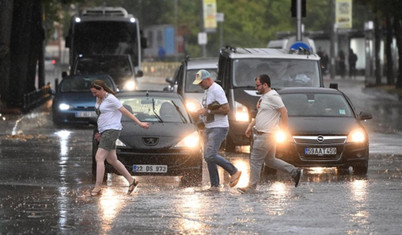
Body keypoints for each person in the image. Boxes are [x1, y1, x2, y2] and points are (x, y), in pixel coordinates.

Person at [237, 74, 303, 194]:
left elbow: (284, 111)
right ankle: (294, 171)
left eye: (258, 85)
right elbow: (261, 114)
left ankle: (251, 187)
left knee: (255, 160)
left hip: (267, 134)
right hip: (265, 134)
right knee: (270, 161)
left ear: (265, 85)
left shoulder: (273, 96)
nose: (256, 88)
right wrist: (250, 126)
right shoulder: (264, 97)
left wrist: (285, 129)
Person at [90, 80, 149, 196]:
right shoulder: (100, 99)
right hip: (105, 131)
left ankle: (98, 186)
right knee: (112, 160)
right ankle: (131, 181)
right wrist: (100, 132)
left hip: (111, 130)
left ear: (102, 89)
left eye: (95, 92)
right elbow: (104, 116)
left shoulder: (111, 99)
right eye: (92, 93)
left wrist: (140, 123)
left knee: (99, 157)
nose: (94, 95)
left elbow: (125, 111)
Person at [193, 69, 242, 191]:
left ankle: (234, 171)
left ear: (208, 79)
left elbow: (226, 109)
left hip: (218, 127)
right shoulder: (208, 91)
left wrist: (208, 111)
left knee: (210, 155)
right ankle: (214, 185)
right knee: (208, 156)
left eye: (201, 82)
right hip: (209, 127)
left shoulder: (216, 89)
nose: (200, 85)